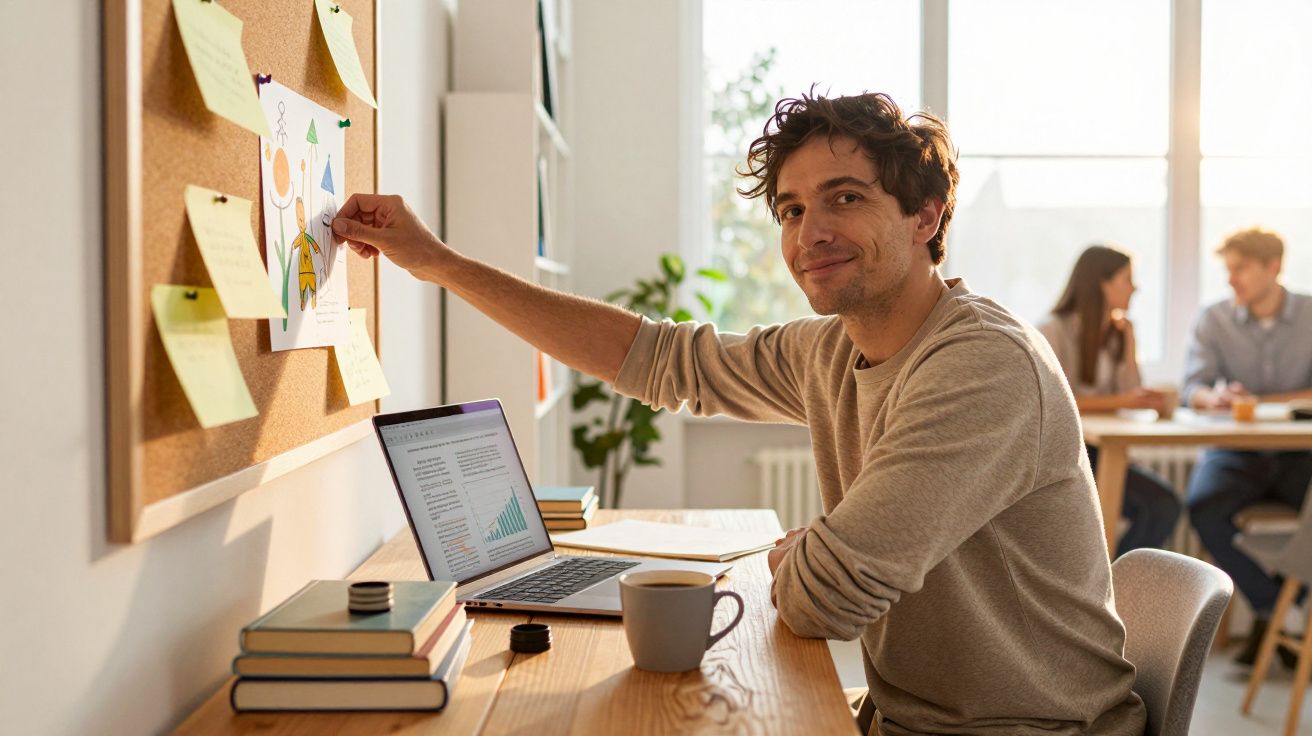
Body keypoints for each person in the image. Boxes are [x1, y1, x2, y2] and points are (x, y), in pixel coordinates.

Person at [331, 91, 1145, 735]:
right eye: (791, 210)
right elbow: (656, 358)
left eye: (845, 198)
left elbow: (826, 597)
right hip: (910, 719)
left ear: (925, 216)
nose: (810, 233)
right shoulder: (832, 349)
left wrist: (812, 559)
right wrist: (436, 264)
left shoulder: (982, 367)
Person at [1182, 226, 1312, 666]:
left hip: (1300, 456)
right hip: (1237, 452)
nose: (1231, 279)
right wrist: (1213, 398)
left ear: (1273, 267)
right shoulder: (1214, 318)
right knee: (1203, 506)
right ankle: (1279, 610)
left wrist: (1263, 402)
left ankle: (1287, 614)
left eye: (1240, 269)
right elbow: (1191, 387)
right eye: (1228, 269)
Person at [1038, 245, 1183, 557]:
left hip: (1103, 451)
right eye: (1127, 279)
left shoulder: (1117, 333)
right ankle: (1108, 592)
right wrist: (1125, 400)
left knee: (1164, 505)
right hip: (1064, 455)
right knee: (1149, 508)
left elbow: (1132, 391)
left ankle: (1117, 589)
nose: (1135, 288)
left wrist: (1130, 344)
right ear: (1102, 283)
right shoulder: (1053, 330)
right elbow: (1056, 399)